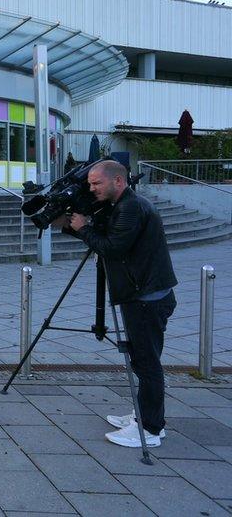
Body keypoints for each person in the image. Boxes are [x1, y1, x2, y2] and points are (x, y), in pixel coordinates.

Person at [53, 160, 178, 448]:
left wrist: (83, 228)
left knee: (147, 363)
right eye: (91, 183)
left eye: (97, 183)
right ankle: (145, 416)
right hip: (142, 294)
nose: (91, 188)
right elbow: (107, 236)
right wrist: (75, 224)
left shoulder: (132, 208)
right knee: (141, 359)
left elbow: (112, 247)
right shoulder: (124, 205)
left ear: (118, 181)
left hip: (146, 298)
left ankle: (150, 429)